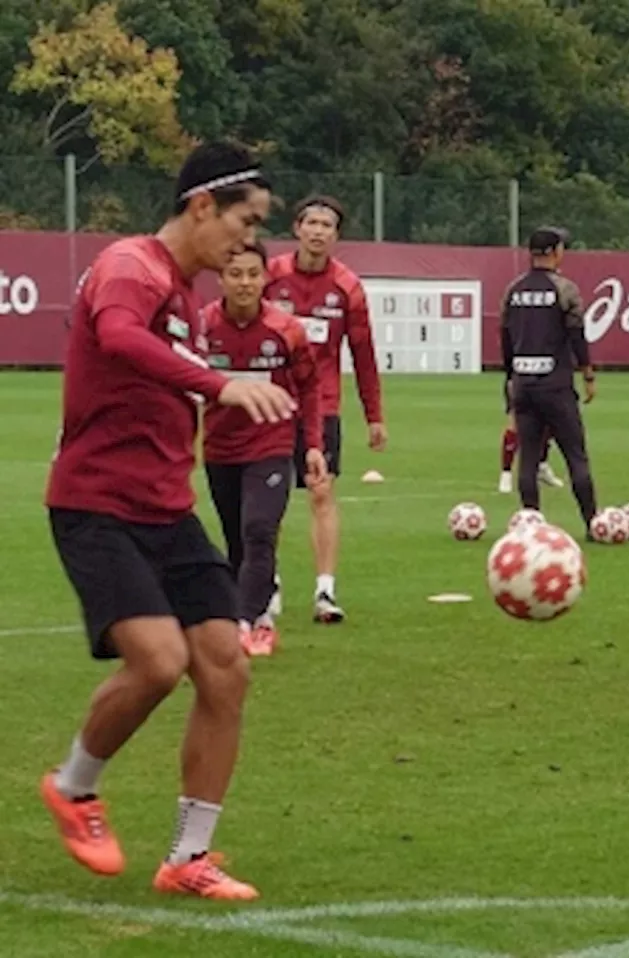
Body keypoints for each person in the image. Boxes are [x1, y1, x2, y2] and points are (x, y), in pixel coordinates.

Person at [42, 141, 293, 900]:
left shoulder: (186, 295)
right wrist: (222, 385)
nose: (249, 242)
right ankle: (73, 787)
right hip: (96, 507)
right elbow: (119, 339)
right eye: (244, 222)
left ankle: (189, 858)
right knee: (157, 661)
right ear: (201, 206)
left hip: (166, 511)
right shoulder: (132, 267)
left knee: (226, 664)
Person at [264, 195, 386, 624]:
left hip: (322, 408)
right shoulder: (269, 275)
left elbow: (364, 353)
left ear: (336, 235)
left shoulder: (347, 287)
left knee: (321, 493)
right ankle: (267, 584)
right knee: (268, 499)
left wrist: (374, 415)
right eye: (311, 222)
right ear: (296, 228)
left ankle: (325, 592)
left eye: (327, 225)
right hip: (270, 404)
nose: (318, 231)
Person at [202, 242, 327, 657]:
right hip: (220, 448)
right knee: (236, 539)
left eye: (253, 274)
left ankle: (243, 623)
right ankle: (258, 614)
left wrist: (312, 445)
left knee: (259, 530)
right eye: (235, 274)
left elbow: (310, 387)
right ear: (220, 277)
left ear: (265, 279)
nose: (244, 283)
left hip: (271, 444)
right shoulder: (202, 326)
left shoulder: (286, 329)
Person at [501, 226, 599, 533]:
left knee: (528, 457)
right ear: (556, 252)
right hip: (555, 386)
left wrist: (510, 377)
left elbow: (505, 337)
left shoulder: (513, 290)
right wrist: (587, 372)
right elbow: (576, 334)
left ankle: (531, 524)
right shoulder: (565, 289)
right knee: (575, 455)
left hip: (522, 384)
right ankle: (592, 522)